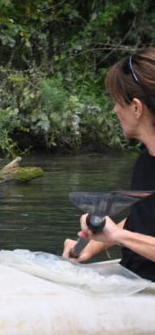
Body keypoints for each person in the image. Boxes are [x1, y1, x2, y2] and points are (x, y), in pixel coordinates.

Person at [62, 48, 155, 281]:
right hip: (133, 282)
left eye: (116, 102)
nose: (114, 110)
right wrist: (94, 243)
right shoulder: (146, 159)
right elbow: (144, 219)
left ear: (136, 107)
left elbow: (125, 234)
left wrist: (118, 236)